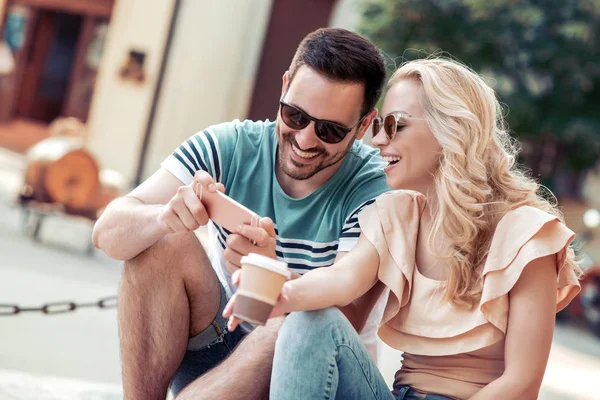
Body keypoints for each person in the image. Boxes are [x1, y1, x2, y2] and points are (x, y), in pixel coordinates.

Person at [224, 57, 582, 399]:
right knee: (309, 322)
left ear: (450, 130)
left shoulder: (527, 235)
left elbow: (522, 386)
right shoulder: (397, 214)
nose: (378, 140)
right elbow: (341, 279)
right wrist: (279, 295)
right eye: (379, 127)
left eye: (394, 125)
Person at [92, 28, 391, 400]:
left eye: (329, 131)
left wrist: (272, 277)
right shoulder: (229, 144)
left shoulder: (375, 187)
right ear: (284, 88)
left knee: (294, 322)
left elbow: (342, 318)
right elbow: (107, 231)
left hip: (307, 374)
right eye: (295, 115)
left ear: (363, 125)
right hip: (221, 348)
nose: (305, 140)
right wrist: (165, 217)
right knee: (160, 241)